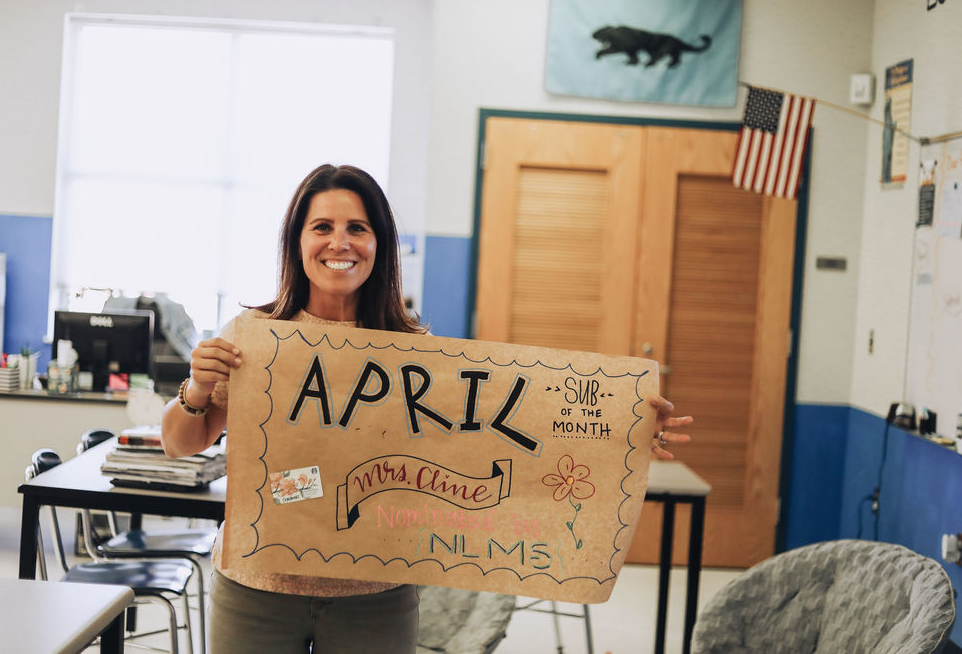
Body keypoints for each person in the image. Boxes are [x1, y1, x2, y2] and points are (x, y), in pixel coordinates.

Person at [161, 163, 694, 653]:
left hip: (375, 596)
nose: (339, 243)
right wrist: (198, 389)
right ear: (297, 240)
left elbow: (503, 435)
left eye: (357, 228)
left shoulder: (417, 352)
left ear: (379, 243)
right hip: (255, 588)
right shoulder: (254, 339)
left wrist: (621, 430)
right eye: (322, 227)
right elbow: (179, 443)